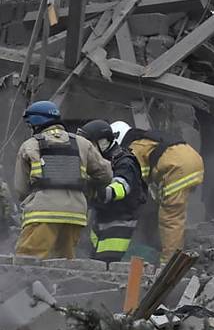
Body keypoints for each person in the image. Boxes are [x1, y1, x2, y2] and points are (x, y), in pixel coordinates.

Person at [14, 101, 112, 259]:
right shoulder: (82, 143)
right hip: (75, 215)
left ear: (35, 123)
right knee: (63, 264)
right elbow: (106, 174)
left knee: (27, 261)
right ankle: (54, 286)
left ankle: (31, 284)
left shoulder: (30, 145)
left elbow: (21, 188)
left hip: (42, 214)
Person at [110, 121, 203, 262]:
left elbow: (136, 176)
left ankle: (169, 263)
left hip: (178, 168)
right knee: (172, 211)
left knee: (170, 218)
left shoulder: (133, 149)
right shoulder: (145, 140)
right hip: (192, 160)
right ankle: (174, 253)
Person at [77, 120, 145, 263]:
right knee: (93, 260)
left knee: (106, 264)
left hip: (119, 222)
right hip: (101, 218)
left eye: (90, 145)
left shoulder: (125, 162)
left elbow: (122, 187)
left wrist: (100, 193)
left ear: (103, 142)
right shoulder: (100, 161)